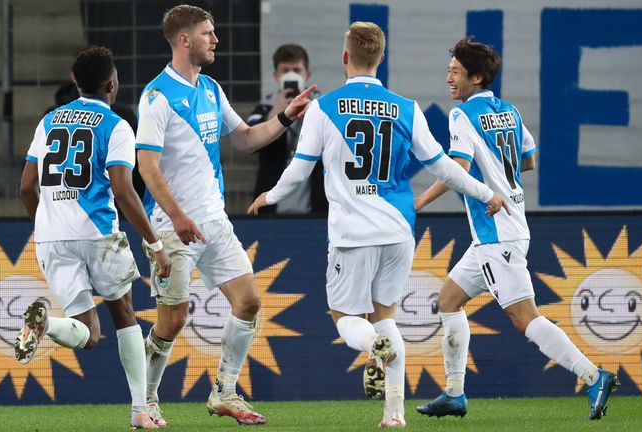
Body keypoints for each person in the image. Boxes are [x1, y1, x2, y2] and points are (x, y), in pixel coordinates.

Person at [247, 22, 509, 428]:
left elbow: (299, 171)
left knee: (344, 317)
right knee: (385, 315)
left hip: (353, 235)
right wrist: (485, 193)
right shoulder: (406, 107)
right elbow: (444, 167)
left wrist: (270, 197)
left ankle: (374, 345)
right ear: (381, 59)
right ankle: (395, 415)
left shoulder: (322, 108)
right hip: (398, 232)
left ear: (345, 58)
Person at [413, 37, 619, 421]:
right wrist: (496, 175)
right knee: (448, 300)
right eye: (448, 71)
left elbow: (456, 167)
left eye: (455, 72)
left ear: (475, 77)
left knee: (525, 317)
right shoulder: (509, 110)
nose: (448, 79)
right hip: (503, 228)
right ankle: (455, 394)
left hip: (497, 233)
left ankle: (593, 376)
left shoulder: (462, 116)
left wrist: (421, 201)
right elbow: (529, 161)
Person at [135, 5, 315, 427]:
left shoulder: (212, 88)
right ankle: (144, 402)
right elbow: (147, 166)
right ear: (184, 40)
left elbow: (248, 138)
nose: (215, 40)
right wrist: (176, 216)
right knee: (173, 320)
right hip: (173, 227)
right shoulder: (157, 96)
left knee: (249, 301)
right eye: (207, 33)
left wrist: (286, 116)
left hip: (214, 222)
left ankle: (224, 392)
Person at [16, 46, 171, 429]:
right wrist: (153, 242)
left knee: (88, 335)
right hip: (97, 233)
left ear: (74, 81)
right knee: (124, 317)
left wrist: (47, 224)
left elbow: (25, 187)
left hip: (51, 238)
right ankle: (139, 411)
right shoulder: (117, 125)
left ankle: (46, 325)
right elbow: (122, 190)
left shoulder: (48, 121)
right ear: (112, 84)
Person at [248, 44, 327, 215]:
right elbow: (250, 141)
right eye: (285, 71)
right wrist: (276, 113)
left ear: (307, 74)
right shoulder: (264, 108)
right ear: (276, 75)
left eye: (296, 70)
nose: (291, 75)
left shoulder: (323, 107)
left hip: (317, 207)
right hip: (271, 209)